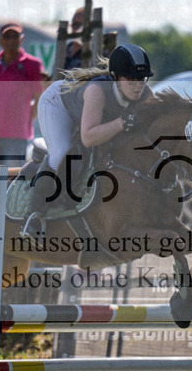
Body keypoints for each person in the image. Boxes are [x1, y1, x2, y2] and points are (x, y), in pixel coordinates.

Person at [22, 43, 154, 237]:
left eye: (142, 79)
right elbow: (89, 137)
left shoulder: (147, 94)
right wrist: (120, 123)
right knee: (61, 153)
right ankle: (33, 215)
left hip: (86, 113)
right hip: (58, 104)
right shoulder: (98, 91)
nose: (138, 86)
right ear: (116, 77)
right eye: (131, 79)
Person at [0, 22, 46, 165]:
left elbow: (39, 96)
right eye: (7, 36)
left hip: (16, 135)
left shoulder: (32, 64)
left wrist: (26, 118)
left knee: (11, 179)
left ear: (22, 39)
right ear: (0, 40)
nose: (11, 40)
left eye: (15, 36)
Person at [63, 7, 85, 71]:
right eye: (76, 25)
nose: (79, 29)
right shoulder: (66, 49)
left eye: (83, 26)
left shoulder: (95, 53)